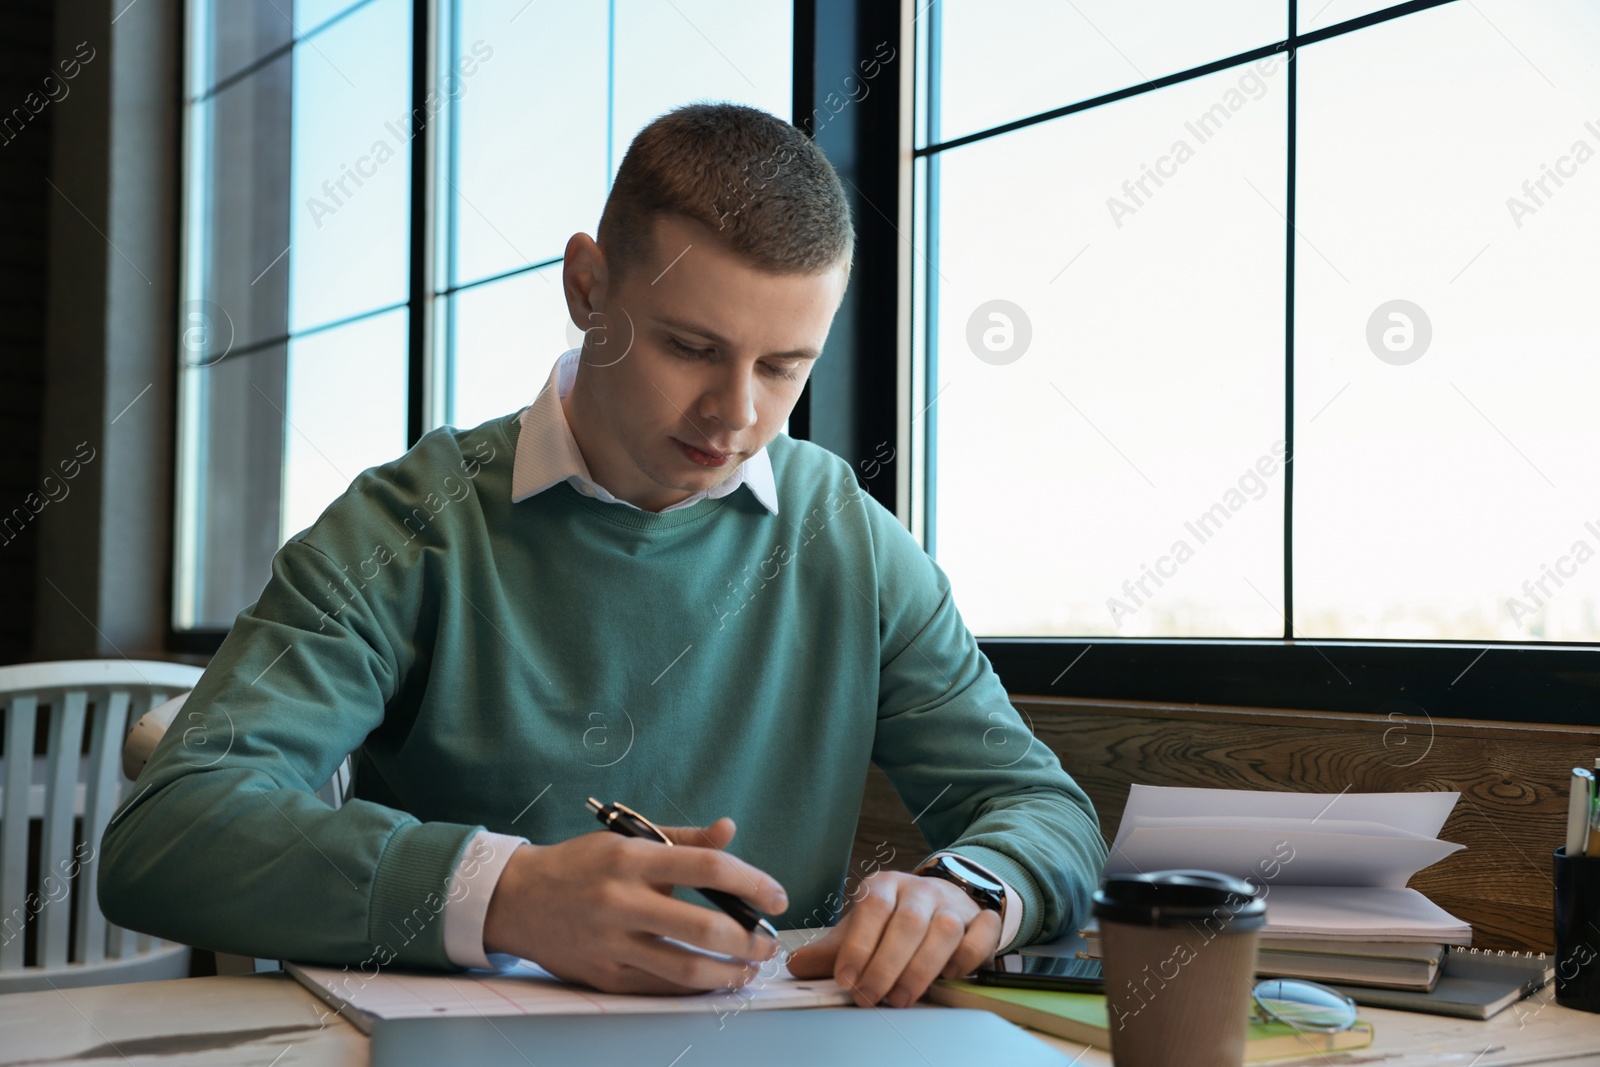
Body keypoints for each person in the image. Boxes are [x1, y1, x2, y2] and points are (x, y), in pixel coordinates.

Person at [99, 103, 1107, 1010]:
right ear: (588, 286)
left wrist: (968, 888)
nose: (736, 413)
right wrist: (508, 893)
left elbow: (1041, 808)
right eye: (690, 347)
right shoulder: (408, 525)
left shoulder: (850, 538)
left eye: (782, 366)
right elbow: (169, 833)